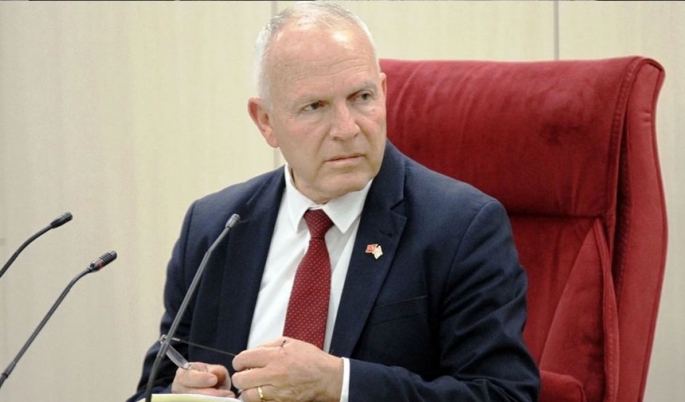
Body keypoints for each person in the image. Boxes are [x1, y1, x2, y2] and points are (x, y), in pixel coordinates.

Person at [128, 3, 540, 402]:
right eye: (315, 106)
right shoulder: (215, 226)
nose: (347, 128)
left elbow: (503, 393)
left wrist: (340, 384)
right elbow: (152, 389)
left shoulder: (460, 227)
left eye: (361, 97)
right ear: (266, 121)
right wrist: (182, 395)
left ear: (383, 92)